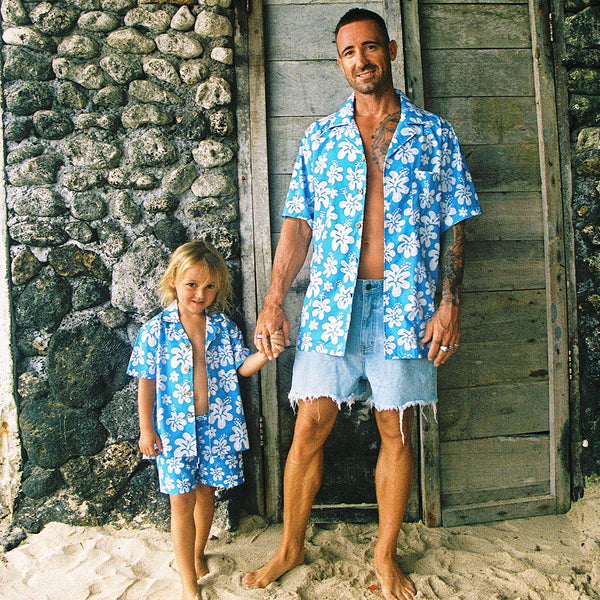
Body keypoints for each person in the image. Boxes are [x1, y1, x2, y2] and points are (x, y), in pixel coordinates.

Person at [242, 8, 481, 600]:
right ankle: (291, 545)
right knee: (310, 425)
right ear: (339, 61)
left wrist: (448, 303)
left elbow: (457, 227)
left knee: (394, 429)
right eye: (349, 52)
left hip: (407, 305)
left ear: (391, 51)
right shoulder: (321, 138)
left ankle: (384, 554)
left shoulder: (435, 134)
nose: (361, 61)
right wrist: (274, 300)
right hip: (330, 304)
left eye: (370, 48)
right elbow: (297, 224)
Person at [127, 240, 284, 600]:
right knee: (180, 501)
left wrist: (264, 354)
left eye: (210, 286)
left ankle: (197, 555)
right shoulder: (156, 330)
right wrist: (146, 429)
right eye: (192, 285)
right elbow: (145, 383)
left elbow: (241, 368)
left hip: (217, 429)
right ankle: (187, 582)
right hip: (173, 431)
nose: (201, 294)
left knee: (206, 493)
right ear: (174, 282)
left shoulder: (223, 328)